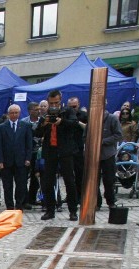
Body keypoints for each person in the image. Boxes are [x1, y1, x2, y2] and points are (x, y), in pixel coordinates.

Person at [35, 89, 81, 221]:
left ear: (60, 100)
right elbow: (37, 134)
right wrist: (43, 124)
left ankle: (73, 211)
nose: (54, 105)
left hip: (65, 151)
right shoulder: (45, 115)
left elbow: (74, 124)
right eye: (52, 103)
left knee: (69, 181)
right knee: (48, 182)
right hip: (50, 151)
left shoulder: (67, 111)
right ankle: (50, 210)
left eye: (56, 102)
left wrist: (61, 122)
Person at [0, 104, 33, 210]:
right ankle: (10, 206)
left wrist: (28, 159)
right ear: (8, 114)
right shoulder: (1, 127)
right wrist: (0, 161)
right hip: (6, 161)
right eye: (12, 112)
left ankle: (19, 204)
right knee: (7, 186)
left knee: (21, 185)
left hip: (21, 161)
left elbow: (29, 144)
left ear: (19, 113)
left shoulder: (25, 126)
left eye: (16, 112)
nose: (14, 114)